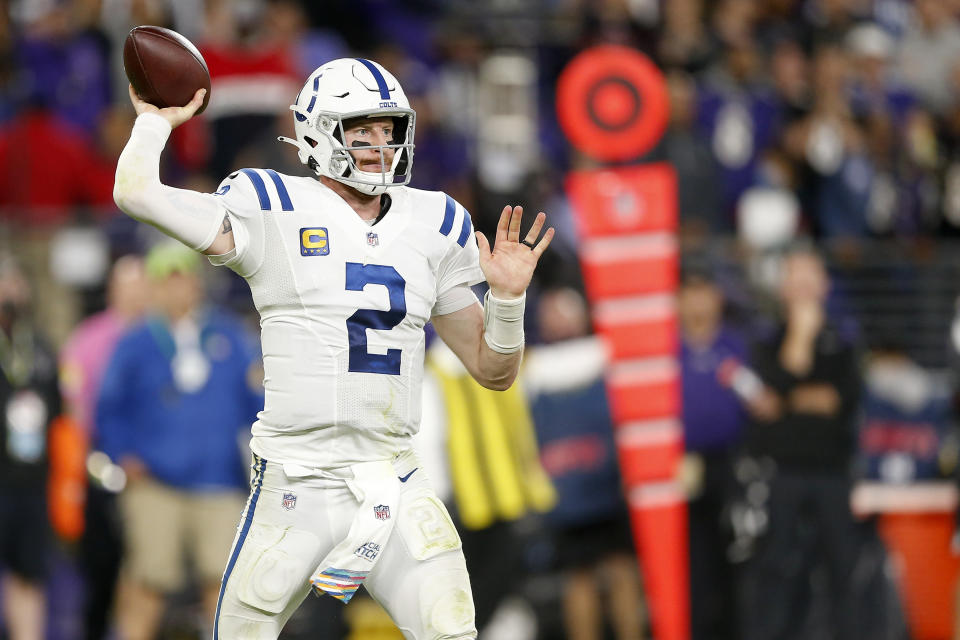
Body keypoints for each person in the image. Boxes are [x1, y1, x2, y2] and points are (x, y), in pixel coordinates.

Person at [111, 57, 554, 639]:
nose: (379, 146)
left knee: (452, 629)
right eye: (361, 131)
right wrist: (153, 122)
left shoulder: (434, 221)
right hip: (296, 480)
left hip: (393, 476)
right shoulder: (269, 204)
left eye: (389, 131)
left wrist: (506, 301)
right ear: (319, 131)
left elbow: (494, 371)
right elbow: (137, 192)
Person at [95, 243, 263, 640]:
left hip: (219, 478)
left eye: (182, 277)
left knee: (225, 585)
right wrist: (124, 456)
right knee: (148, 579)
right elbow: (108, 407)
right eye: (166, 280)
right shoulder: (136, 342)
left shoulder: (229, 335)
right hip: (155, 481)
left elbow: (256, 401)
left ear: (196, 282)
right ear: (154, 287)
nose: (176, 288)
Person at [742, 246, 863, 640]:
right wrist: (800, 335)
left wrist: (788, 401)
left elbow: (837, 401)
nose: (804, 288)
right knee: (777, 570)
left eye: (811, 278)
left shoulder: (844, 339)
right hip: (782, 474)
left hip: (832, 473)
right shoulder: (766, 338)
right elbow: (768, 394)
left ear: (825, 286)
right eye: (796, 279)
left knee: (842, 570)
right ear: (782, 288)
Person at [524, 287, 645, 640]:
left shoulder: (602, 355)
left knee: (618, 570)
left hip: (607, 483)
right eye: (551, 313)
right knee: (582, 576)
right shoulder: (533, 368)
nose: (556, 320)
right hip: (568, 490)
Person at [58, 255, 148, 640]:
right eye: (125, 285)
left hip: (150, 463)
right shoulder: (88, 339)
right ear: (112, 289)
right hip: (101, 460)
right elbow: (73, 406)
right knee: (102, 562)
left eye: (139, 285)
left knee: (147, 570)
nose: (132, 294)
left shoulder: (158, 336)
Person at [0, 255, 61, 640]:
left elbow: (57, 411)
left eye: (14, 281)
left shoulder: (39, 346)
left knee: (29, 575)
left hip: (30, 482)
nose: (9, 290)